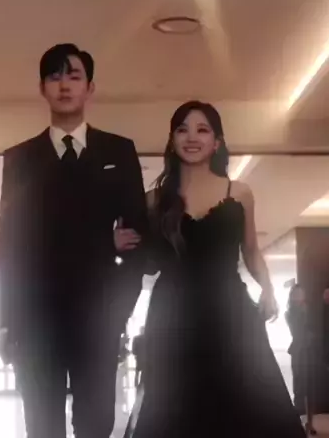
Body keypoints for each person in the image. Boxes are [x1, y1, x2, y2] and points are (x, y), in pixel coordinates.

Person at [124, 101, 306, 437]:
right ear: (172, 140)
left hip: (230, 308)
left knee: (249, 393)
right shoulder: (154, 200)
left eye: (202, 130)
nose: (192, 137)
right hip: (172, 312)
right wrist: (122, 243)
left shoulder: (239, 192)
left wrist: (268, 288)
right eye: (182, 130)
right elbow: (147, 263)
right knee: (174, 400)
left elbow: (250, 250)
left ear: (217, 142)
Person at [0, 43, 148, 438]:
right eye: (54, 76)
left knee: (96, 422)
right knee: (41, 423)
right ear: (42, 88)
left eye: (74, 76)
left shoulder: (118, 151)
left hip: (99, 315)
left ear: (90, 87)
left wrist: (120, 312)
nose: (64, 85)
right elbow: (10, 245)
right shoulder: (20, 159)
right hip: (35, 318)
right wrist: (7, 321)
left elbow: (139, 239)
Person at [285, 284, 317, 435]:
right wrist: (304, 314)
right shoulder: (289, 313)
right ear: (292, 297)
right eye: (296, 294)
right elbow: (298, 332)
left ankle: (310, 423)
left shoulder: (310, 310)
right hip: (298, 352)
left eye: (301, 293)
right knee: (299, 388)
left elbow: (314, 330)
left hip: (311, 352)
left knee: (311, 389)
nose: (299, 296)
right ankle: (298, 422)